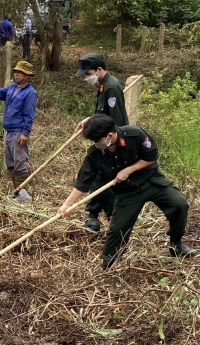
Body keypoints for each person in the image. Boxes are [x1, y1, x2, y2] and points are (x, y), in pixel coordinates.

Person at [57, 114, 198, 269]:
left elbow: (151, 156)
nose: (97, 144)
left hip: (151, 181)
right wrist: (66, 205)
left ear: (110, 135)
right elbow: (83, 182)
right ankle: (108, 265)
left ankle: (176, 244)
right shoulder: (95, 154)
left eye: (98, 141)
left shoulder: (135, 134)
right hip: (127, 192)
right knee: (117, 230)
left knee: (179, 204)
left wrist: (129, 170)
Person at [73, 53, 129, 233]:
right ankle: (94, 216)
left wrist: (110, 145)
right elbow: (104, 113)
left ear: (99, 69)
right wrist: (90, 120)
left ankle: (111, 217)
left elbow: (117, 121)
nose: (87, 77)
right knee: (97, 175)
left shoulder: (112, 87)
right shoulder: (104, 85)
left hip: (109, 141)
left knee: (106, 177)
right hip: (103, 138)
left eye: (88, 73)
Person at [0, 60, 38, 202]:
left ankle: (24, 195)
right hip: (8, 130)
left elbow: (29, 115)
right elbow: (1, 93)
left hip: (19, 132)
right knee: (10, 163)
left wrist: (25, 133)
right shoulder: (13, 87)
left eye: (19, 72)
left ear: (27, 75)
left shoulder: (30, 93)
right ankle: (17, 193)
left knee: (20, 162)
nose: (16, 74)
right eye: (15, 71)